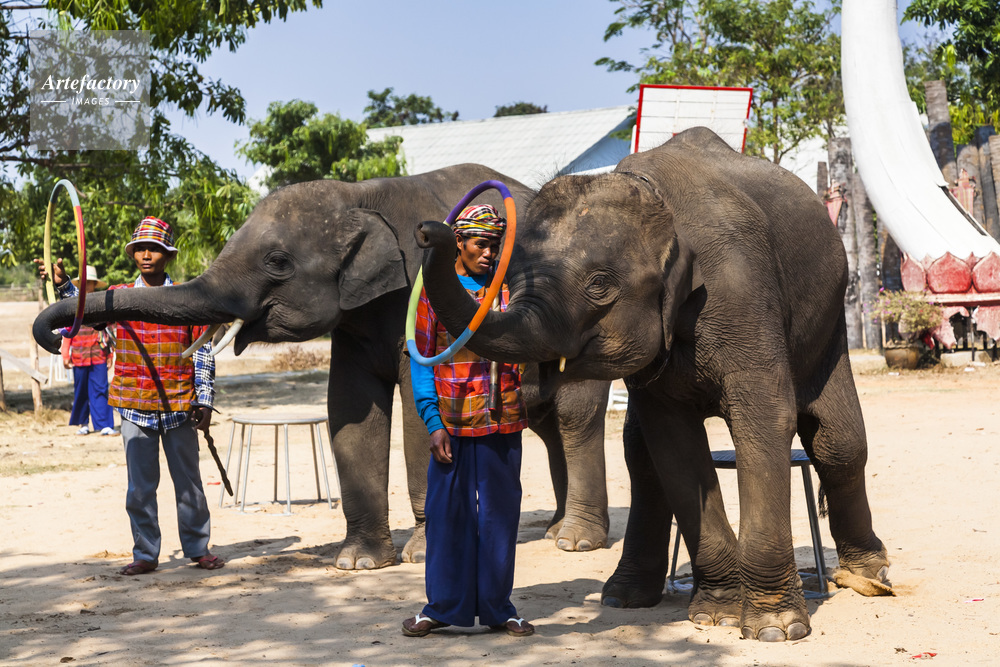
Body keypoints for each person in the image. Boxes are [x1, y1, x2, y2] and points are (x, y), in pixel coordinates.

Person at [36, 216, 224, 576]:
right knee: (140, 488)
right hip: (134, 407)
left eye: (154, 249)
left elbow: (202, 351)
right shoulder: (118, 297)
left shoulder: (188, 298)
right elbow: (83, 313)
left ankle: (198, 548)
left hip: (179, 405)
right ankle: (145, 554)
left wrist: (204, 400)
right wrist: (63, 285)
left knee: (189, 484)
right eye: (140, 249)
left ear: (168, 255)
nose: (146, 255)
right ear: (132, 255)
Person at [402, 204, 534, 638]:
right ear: (458, 243)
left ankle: (498, 607)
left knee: (500, 518)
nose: (489, 254)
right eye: (481, 244)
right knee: (446, 518)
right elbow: (421, 357)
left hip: (502, 421)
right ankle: (441, 607)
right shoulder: (434, 291)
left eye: (495, 246)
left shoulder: (509, 289)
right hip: (452, 424)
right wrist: (432, 421)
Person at [59, 265, 117, 436]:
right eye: (85, 282)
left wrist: (110, 354)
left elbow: (108, 330)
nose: (88, 286)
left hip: (98, 354)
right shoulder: (74, 304)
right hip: (79, 354)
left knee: (101, 389)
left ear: (95, 284)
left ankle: (104, 425)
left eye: (90, 282)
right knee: (81, 390)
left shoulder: (102, 303)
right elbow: (68, 330)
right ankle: (83, 423)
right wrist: (65, 353)